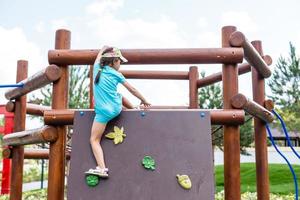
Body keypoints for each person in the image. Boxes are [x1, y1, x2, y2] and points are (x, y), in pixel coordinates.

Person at [85, 46, 151, 178]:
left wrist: (103, 48)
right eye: (120, 61)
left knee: (94, 140)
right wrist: (144, 100)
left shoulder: (97, 69)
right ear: (114, 61)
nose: (120, 64)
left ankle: (102, 169)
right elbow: (132, 89)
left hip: (103, 113)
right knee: (119, 96)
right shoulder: (117, 74)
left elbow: (98, 56)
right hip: (116, 108)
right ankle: (133, 110)